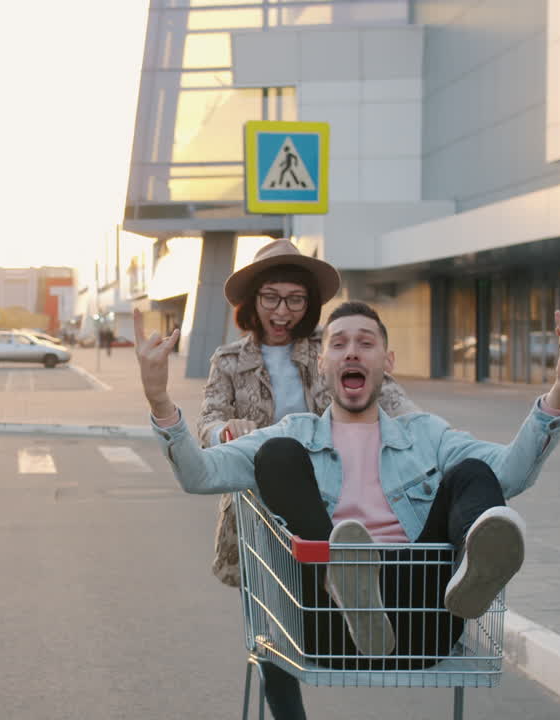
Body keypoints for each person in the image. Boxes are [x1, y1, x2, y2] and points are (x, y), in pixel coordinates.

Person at [135, 297, 560, 682]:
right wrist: (160, 399)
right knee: (276, 455)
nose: (352, 352)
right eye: (338, 344)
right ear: (323, 364)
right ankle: (343, 576)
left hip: (421, 620)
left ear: (387, 363)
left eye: (365, 343)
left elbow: (510, 473)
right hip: (326, 622)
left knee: (474, 471)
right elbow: (200, 475)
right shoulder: (294, 434)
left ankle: (471, 577)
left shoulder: (427, 435)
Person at [198, 239, 416, 719]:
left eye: (295, 299)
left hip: (328, 506)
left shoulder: (334, 349)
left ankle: (365, 637)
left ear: (310, 304)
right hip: (258, 516)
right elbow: (208, 419)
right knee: (273, 630)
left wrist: (429, 435)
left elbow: (393, 398)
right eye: (271, 298)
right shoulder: (229, 360)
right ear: (253, 301)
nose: (283, 310)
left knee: (322, 611)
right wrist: (223, 430)